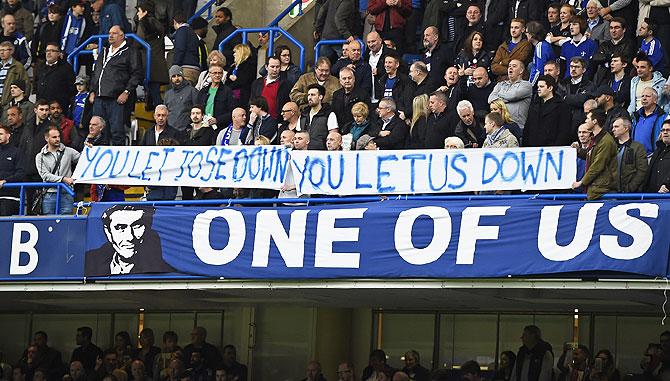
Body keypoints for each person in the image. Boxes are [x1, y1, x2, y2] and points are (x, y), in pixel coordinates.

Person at [85, 204, 175, 276]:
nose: (130, 237)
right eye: (120, 228)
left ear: (148, 228)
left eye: (137, 226)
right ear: (108, 232)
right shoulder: (90, 261)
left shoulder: (164, 267)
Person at [89, 25, 142, 146]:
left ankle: (119, 162)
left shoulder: (130, 51)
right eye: (109, 33)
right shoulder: (105, 51)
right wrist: (92, 91)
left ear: (122, 35)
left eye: (114, 33)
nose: (110, 36)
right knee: (98, 132)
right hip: (99, 97)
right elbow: (96, 72)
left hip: (116, 99)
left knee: (117, 132)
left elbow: (137, 73)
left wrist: (126, 92)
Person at [572, 109, 617, 200]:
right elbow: (591, 155)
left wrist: (581, 182)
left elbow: (597, 165)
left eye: (588, 118)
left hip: (602, 191)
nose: (585, 121)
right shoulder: (596, 139)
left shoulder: (606, 141)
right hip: (596, 189)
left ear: (594, 121)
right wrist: (577, 151)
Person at [35, 126, 79, 215]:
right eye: (54, 137)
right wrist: (63, 179)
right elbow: (44, 175)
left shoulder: (69, 151)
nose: (58, 139)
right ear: (46, 138)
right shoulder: (40, 156)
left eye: (59, 136)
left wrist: (88, 149)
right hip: (49, 194)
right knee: (49, 224)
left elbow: (83, 160)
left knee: (66, 224)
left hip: (66, 192)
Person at [134, 0, 169, 110]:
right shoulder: (152, 22)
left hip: (152, 65)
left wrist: (142, 21)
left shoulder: (148, 22)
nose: (137, 14)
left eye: (139, 11)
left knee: (155, 94)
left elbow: (139, 41)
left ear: (145, 12)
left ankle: (160, 115)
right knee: (152, 92)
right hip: (154, 64)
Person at [524, 75, 572, 147]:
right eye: (538, 87)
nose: (539, 89)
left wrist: (555, 147)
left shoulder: (562, 106)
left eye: (542, 87)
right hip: (533, 149)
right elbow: (527, 128)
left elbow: (563, 131)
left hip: (552, 150)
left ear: (550, 88)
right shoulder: (534, 105)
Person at [488, 59, 532, 129]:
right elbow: (490, 99)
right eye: (509, 66)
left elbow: (513, 96)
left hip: (518, 127)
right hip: (500, 127)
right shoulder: (500, 84)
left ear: (521, 71)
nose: (510, 68)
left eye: (514, 66)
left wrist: (498, 95)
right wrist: (505, 98)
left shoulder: (527, 85)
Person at [610, 116, 649, 192]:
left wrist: (630, 188)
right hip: (613, 192)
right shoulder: (611, 147)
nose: (613, 129)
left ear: (626, 128)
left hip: (632, 194)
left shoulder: (638, 147)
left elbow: (642, 171)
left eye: (616, 126)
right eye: (613, 127)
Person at [375, 50, 414, 120]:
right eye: (385, 62)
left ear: (397, 64)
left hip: (399, 118)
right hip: (384, 117)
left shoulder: (405, 81)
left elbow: (408, 101)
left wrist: (406, 114)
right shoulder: (381, 81)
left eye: (390, 62)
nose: (386, 65)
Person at [562, 57, 596, 137]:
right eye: (571, 66)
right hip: (564, 123)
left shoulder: (589, 85)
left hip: (581, 124)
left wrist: (566, 98)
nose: (573, 69)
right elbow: (559, 100)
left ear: (583, 70)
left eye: (577, 67)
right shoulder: (562, 83)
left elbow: (583, 100)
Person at [250, 55, 291, 120]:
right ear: (266, 67)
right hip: (258, 120)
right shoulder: (257, 83)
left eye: (277, 67)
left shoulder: (286, 85)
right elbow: (251, 102)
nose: (275, 70)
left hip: (276, 121)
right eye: (272, 67)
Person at [299, 84, 338, 150]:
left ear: (320, 97)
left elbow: (333, 136)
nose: (309, 97)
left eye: (313, 95)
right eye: (308, 95)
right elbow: (298, 135)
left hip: (322, 152)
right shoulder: (303, 114)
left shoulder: (329, 114)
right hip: (303, 153)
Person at [197, 63, 234, 130]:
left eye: (219, 73)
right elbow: (197, 107)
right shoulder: (203, 91)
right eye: (214, 73)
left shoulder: (227, 91)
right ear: (209, 74)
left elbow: (232, 112)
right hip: (203, 126)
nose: (217, 75)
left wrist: (217, 120)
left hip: (219, 127)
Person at [164, 65, 200, 132]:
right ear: (170, 79)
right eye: (174, 76)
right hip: (170, 132)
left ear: (182, 76)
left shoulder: (192, 91)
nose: (177, 78)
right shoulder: (167, 94)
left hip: (186, 131)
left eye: (179, 75)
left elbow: (198, 110)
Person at [172, 13, 200, 85]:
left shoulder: (181, 31)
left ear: (175, 22)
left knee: (183, 93)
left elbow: (180, 49)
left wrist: (175, 66)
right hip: (195, 68)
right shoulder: (192, 32)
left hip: (186, 68)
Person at [0, 124, 22, 216]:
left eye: (1, 134)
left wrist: (5, 181)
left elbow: (21, 173)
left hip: (10, 197)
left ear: (8, 135)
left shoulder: (17, 152)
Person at [644, 121, 670, 192]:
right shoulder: (658, 150)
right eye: (663, 130)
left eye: (668, 130)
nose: (665, 132)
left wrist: (667, 185)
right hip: (652, 196)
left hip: (666, 196)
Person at [0, 41, 27, 107]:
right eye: (0, 50)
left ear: (11, 51)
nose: (1, 52)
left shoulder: (18, 67)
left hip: (9, 105)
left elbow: (26, 86)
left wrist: (18, 102)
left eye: (4, 50)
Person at [227, 43, 255, 107]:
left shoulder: (249, 65)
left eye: (235, 52)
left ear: (241, 53)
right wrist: (230, 78)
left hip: (241, 96)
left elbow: (243, 81)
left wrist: (235, 80)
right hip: (232, 93)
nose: (233, 54)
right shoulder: (233, 66)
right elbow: (227, 79)